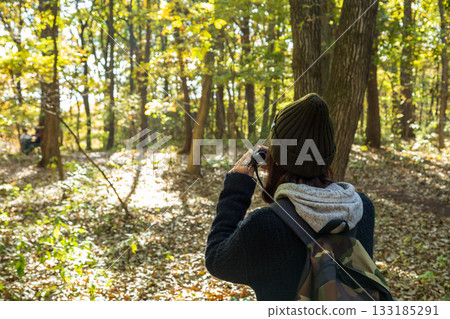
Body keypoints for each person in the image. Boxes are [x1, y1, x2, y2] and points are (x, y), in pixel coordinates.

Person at [205, 93, 375, 301]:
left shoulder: (265, 224)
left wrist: (236, 186)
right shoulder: (362, 208)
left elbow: (216, 259)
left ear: (273, 157)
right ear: (329, 155)